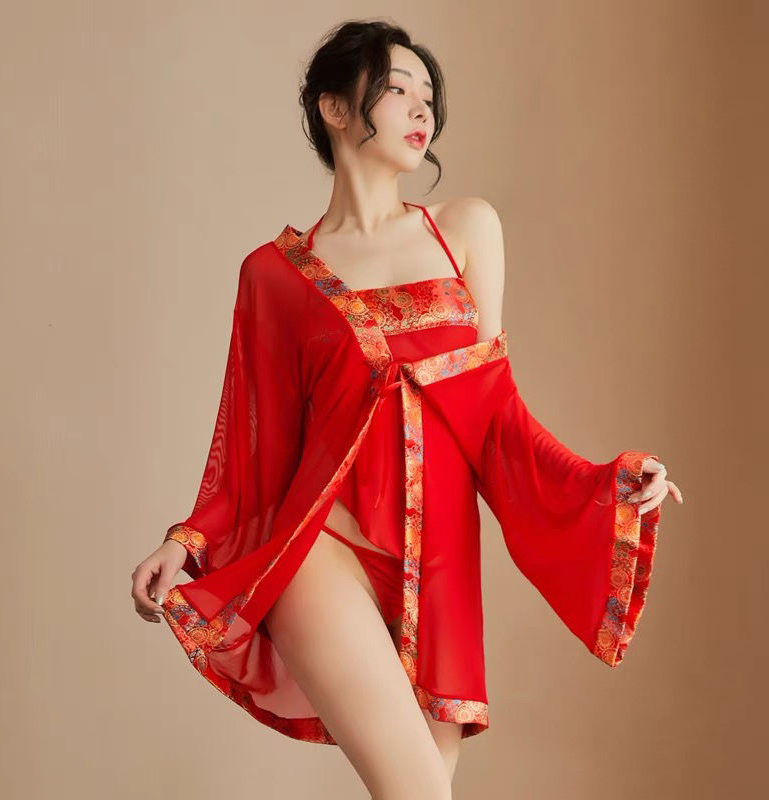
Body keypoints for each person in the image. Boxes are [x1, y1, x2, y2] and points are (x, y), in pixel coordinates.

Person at [130, 19, 683, 799]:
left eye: (429, 94)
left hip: (441, 568)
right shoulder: (274, 277)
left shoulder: (465, 230)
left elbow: (496, 418)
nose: (423, 108)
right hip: (324, 552)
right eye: (398, 89)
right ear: (334, 108)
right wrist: (185, 542)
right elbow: (255, 453)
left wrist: (605, 481)